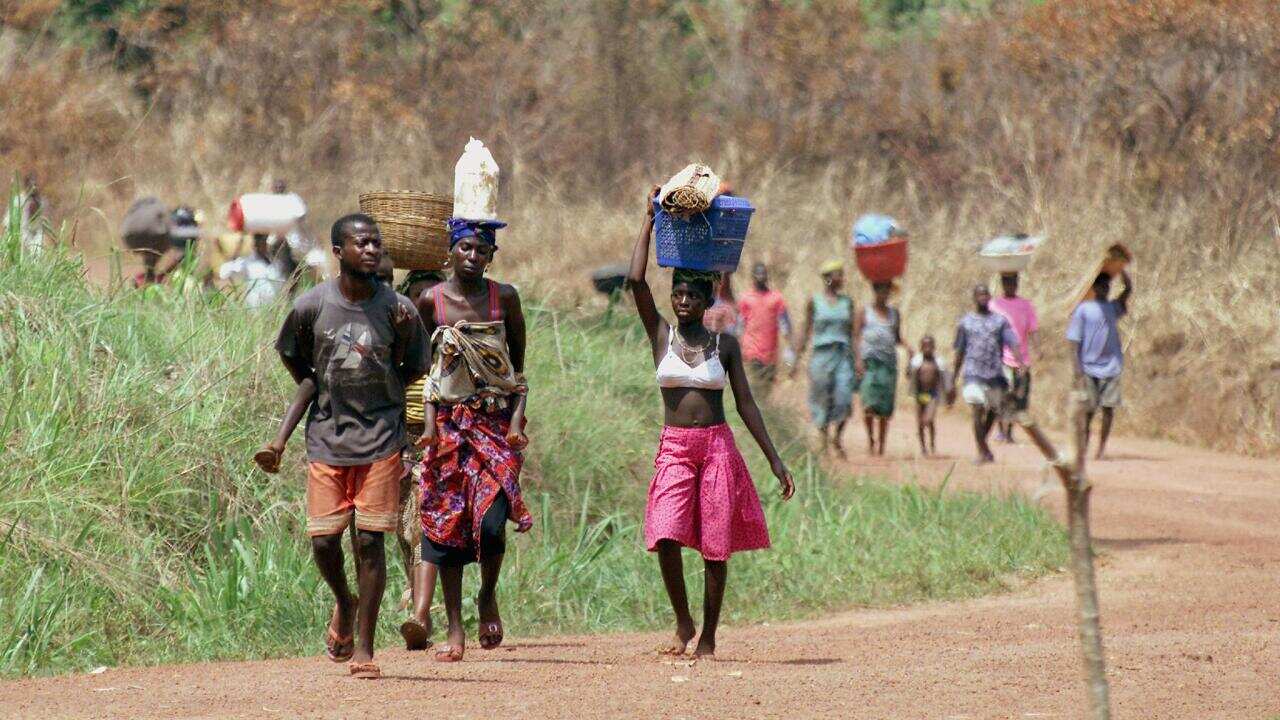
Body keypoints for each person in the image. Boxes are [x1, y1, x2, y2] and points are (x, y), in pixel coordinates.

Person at [628, 188, 794, 658]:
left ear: (706, 302)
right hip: (675, 448)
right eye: (678, 293)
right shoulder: (661, 335)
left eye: (692, 295)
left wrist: (775, 460)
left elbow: (747, 405)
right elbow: (635, 280)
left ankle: (709, 636)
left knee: (715, 544)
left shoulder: (725, 346)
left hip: (718, 447)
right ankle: (684, 622)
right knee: (665, 534)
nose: (682, 300)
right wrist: (648, 220)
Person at [274, 214, 430, 679]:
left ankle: (364, 646)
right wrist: (321, 390)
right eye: (362, 243)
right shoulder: (311, 305)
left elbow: (415, 364)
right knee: (324, 541)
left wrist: (388, 391)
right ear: (338, 251)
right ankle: (345, 600)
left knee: (369, 541)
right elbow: (293, 356)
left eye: (376, 243)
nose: (372, 250)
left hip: (381, 436)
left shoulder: (399, 309)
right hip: (327, 436)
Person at [413, 217, 531, 663]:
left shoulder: (506, 298)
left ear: (491, 256)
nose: (473, 256)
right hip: (447, 428)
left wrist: (515, 422)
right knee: (449, 527)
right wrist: (426, 427)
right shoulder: (432, 301)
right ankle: (454, 625)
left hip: (496, 426)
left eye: (482, 250)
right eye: (465, 248)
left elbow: (516, 371)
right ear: (451, 251)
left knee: (492, 524)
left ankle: (487, 593)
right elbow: (429, 372)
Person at [395, 267, 447, 650]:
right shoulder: (397, 344)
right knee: (404, 530)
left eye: (434, 297)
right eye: (419, 297)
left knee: (424, 527)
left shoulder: (451, 344)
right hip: (401, 443)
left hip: (440, 445)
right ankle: (416, 600)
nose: (426, 304)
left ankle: (420, 615)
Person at [951, 284, 1027, 464]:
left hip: (995, 374)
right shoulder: (965, 322)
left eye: (986, 294)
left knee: (994, 410)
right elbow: (960, 351)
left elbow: (1013, 343)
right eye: (980, 294)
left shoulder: (1000, 321)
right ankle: (982, 451)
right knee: (977, 409)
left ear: (989, 298)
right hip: (973, 372)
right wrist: (953, 378)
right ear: (974, 298)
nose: (983, 297)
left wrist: (1020, 362)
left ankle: (983, 444)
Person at [793, 261, 856, 456]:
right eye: (838, 274)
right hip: (821, 355)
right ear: (828, 278)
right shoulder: (814, 301)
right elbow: (806, 329)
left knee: (844, 397)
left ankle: (837, 437)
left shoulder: (847, 302)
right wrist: (796, 359)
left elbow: (853, 333)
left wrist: (858, 360)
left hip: (843, 355)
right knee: (821, 398)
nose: (842, 279)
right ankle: (823, 440)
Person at [1067, 270, 1132, 460]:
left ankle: (1101, 448)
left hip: (1111, 366)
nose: (1105, 289)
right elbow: (1073, 341)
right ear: (1094, 288)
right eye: (1101, 286)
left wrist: (1122, 271)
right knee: (1088, 410)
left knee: (1108, 409)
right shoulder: (1083, 309)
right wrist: (1077, 370)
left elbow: (1128, 290)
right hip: (1089, 367)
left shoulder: (1113, 308)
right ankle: (1084, 447)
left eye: (1107, 286)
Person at [854, 281, 911, 456]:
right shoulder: (864, 312)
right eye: (880, 291)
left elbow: (897, 337)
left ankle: (882, 445)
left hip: (888, 364)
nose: (884, 295)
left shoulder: (894, 314)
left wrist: (908, 348)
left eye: (886, 292)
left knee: (885, 408)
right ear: (875, 292)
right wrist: (858, 360)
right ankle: (871, 439)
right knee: (868, 404)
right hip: (870, 363)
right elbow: (856, 336)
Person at [990, 271, 1040, 442]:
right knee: (1001, 396)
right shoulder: (994, 305)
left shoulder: (1026, 305)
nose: (1010, 286)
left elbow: (1032, 329)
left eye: (1013, 282)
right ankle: (1001, 430)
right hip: (1001, 358)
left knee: (1017, 397)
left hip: (1021, 360)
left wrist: (1037, 349)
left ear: (1017, 284)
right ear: (1002, 284)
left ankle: (1009, 431)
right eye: (1007, 282)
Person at [736, 262, 792, 388]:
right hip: (752, 350)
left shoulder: (777, 298)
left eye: (763, 274)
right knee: (756, 385)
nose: (761, 277)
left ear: (767, 276)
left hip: (771, 352)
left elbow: (785, 325)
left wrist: (789, 348)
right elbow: (740, 324)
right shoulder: (746, 299)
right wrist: (738, 345)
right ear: (753, 276)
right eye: (758, 274)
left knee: (767, 387)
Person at [907, 335, 952, 457]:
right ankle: (923, 447)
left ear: (934, 347)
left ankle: (932, 444)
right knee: (920, 423)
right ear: (921, 348)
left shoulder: (939, 362)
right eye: (925, 346)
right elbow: (908, 375)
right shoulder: (916, 361)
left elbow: (946, 379)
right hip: (920, 395)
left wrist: (949, 395)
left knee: (929, 419)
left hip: (932, 395)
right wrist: (909, 360)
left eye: (930, 346)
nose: (927, 349)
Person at [218, 233, 289, 308]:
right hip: (256, 308)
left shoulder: (276, 263)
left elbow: (281, 284)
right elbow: (224, 272)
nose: (262, 246)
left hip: (274, 308)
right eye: (258, 243)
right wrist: (237, 250)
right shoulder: (247, 262)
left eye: (264, 242)